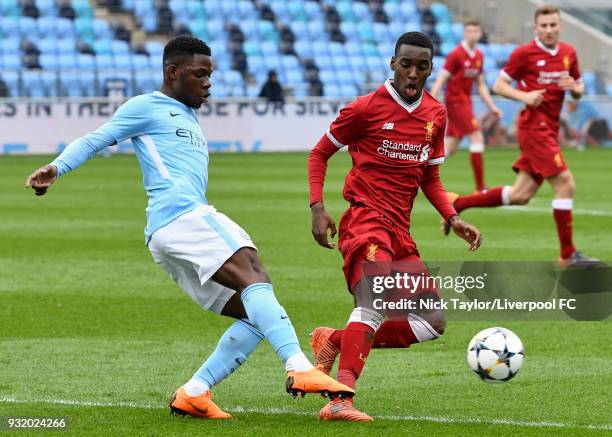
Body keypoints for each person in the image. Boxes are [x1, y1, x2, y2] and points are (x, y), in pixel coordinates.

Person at [25, 35, 353, 420]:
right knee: (253, 270)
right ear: (172, 72)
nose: (208, 82)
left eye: (210, 74)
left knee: (254, 312)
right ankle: (298, 365)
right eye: (200, 74)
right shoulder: (147, 106)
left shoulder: (188, 115)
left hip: (167, 233)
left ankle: (194, 393)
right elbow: (97, 138)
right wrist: (57, 167)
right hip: (181, 216)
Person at [307, 32, 482, 422]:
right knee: (374, 301)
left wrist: (452, 217)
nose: (413, 73)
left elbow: (429, 178)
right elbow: (320, 153)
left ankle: (334, 339)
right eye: (407, 64)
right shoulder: (365, 109)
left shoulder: (435, 114)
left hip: (400, 231)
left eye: (422, 66)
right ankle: (340, 399)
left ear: (431, 69)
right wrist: (318, 207)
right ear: (393, 63)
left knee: (430, 323)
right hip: (366, 221)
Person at [443, 6, 599, 268]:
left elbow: (579, 89)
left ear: (560, 26)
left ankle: (457, 203)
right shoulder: (524, 53)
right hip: (533, 129)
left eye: (553, 25)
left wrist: (575, 89)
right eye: (544, 25)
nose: (549, 30)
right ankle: (568, 255)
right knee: (565, 184)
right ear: (536, 28)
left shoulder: (568, 53)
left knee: (520, 195)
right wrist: (524, 96)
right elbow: (498, 85)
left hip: (549, 129)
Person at [430, 20, 502, 192]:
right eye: (468, 31)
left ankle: (415, 172)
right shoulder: (456, 54)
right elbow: (441, 79)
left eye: (475, 31)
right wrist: (431, 103)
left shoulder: (478, 56)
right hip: (455, 102)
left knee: (450, 147)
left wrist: (492, 106)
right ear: (464, 33)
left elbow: (481, 84)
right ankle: (480, 188)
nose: (471, 34)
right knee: (477, 137)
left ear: (480, 33)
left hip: (466, 102)